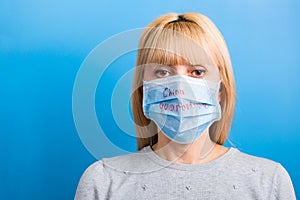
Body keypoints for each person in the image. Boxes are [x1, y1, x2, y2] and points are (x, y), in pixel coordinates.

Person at [74, 12, 296, 199]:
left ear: (219, 90)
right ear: (144, 90)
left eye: (197, 72)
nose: (181, 87)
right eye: (163, 72)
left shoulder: (269, 182)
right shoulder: (103, 182)